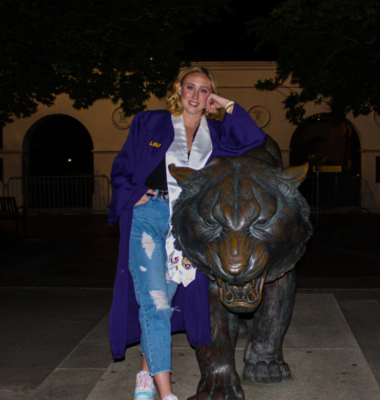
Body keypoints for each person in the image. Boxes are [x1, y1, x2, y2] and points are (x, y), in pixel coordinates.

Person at [108, 66, 267, 400]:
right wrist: (131, 191)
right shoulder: (150, 121)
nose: (196, 96)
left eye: (204, 90)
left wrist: (226, 104)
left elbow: (254, 139)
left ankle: (144, 373)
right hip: (149, 216)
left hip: (188, 225)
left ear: (210, 96)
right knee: (154, 302)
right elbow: (122, 165)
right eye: (190, 88)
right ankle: (166, 395)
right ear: (178, 89)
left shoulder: (219, 133)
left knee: (162, 304)